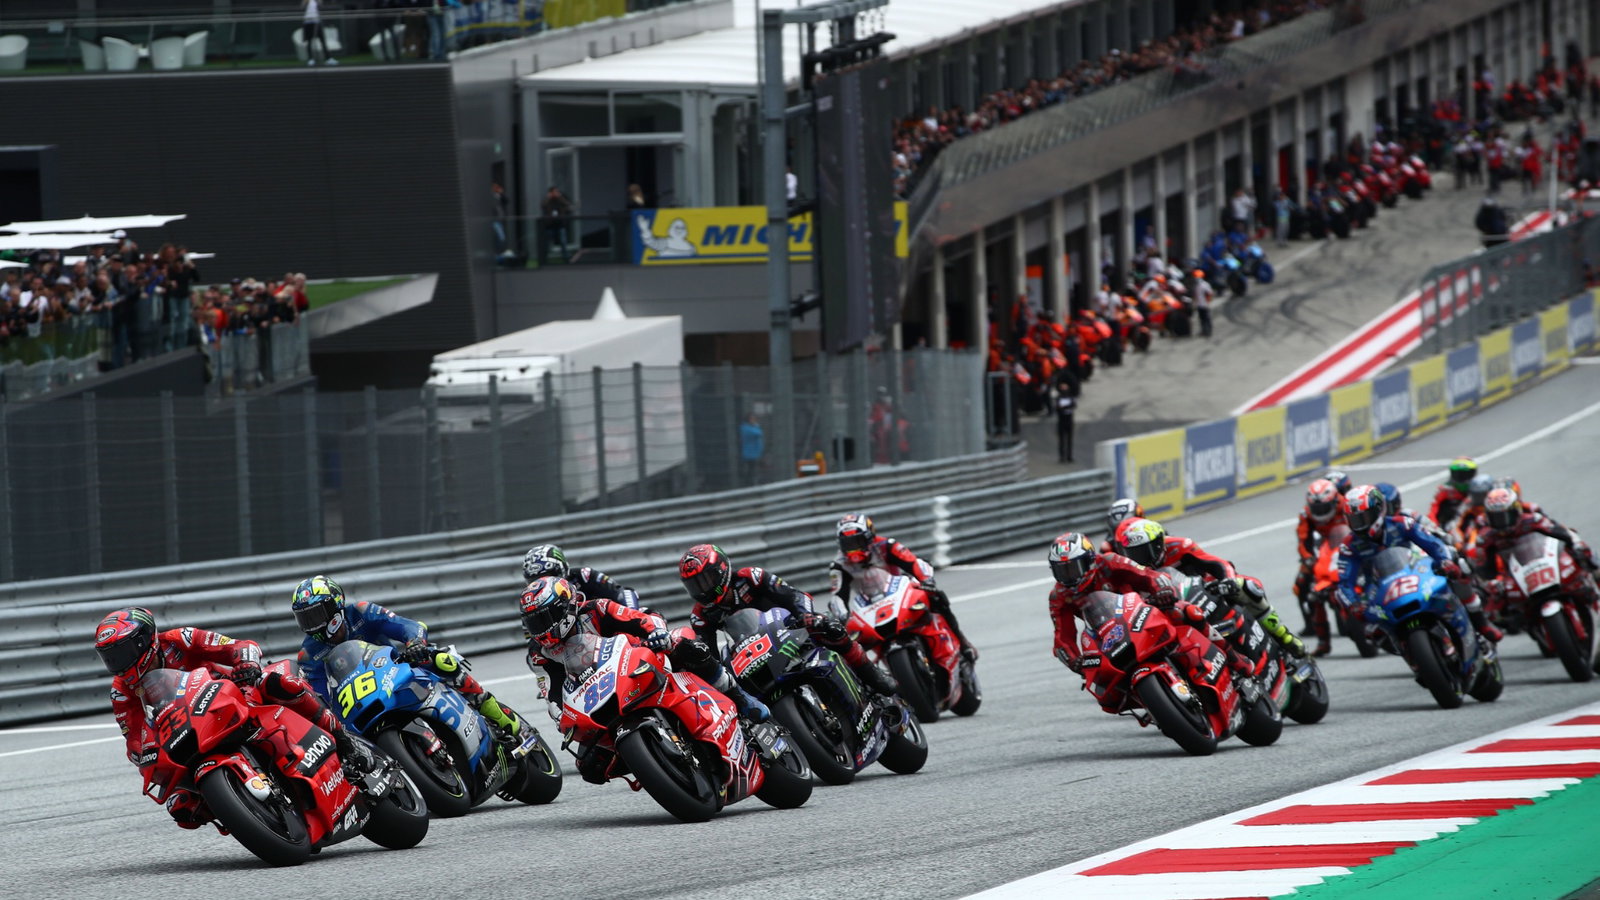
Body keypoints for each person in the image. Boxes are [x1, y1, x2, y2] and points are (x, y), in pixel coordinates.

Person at [95, 606, 374, 828]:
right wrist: (144, 755)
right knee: (182, 805)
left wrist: (247, 664)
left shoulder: (180, 640)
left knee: (280, 683)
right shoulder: (121, 692)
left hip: (235, 695)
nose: (118, 664)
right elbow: (134, 740)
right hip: (189, 732)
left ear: (144, 641)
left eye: (122, 653)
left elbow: (238, 645)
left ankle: (343, 740)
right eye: (110, 658)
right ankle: (258, 814)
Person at [519, 577, 778, 784]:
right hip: (599, 692)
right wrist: (560, 715)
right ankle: (658, 761)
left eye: (544, 619)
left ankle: (741, 699)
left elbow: (640, 619)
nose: (540, 629)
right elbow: (552, 690)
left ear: (564, 608)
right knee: (589, 767)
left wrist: (657, 633)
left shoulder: (597, 609)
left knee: (685, 642)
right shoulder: (539, 653)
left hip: (639, 658)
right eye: (533, 623)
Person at [290, 574, 527, 743]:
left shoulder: (361, 612)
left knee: (442, 661)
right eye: (305, 619)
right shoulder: (309, 655)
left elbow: (409, 626)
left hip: (398, 669)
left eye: (317, 615)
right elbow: (321, 698)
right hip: (361, 698)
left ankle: (494, 712)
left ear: (336, 605)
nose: (314, 625)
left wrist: (415, 644)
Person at [681, 543, 900, 699]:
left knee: (831, 629)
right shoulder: (700, 616)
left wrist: (806, 616)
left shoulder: (751, 577)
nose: (702, 590)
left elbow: (794, 595)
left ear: (721, 571)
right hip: (753, 652)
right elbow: (709, 656)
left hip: (790, 628)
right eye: (695, 585)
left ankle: (873, 675)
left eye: (705, 581)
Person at [1045, 532, 1246, 676]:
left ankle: (1234, 658)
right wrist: (1074, 660)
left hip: (1141, 611)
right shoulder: (1059, 596)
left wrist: (1161, 590)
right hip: (1106, 635)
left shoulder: (1109, 561)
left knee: (1189, 612)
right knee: (1099, 679)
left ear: (1090, 560)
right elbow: (1063, 638)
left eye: (1074, 568)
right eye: (1062, 570)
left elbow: (1146, 574)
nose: (1069, 577)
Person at [1112, 517, 1307, 657]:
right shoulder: (1128, 571)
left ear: (1159, 543)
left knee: (1248, 586)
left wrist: (1228, 580)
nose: (1140, 558)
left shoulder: (1179, 545)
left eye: (1144, 551)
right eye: (1132, 553)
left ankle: (1282, 636)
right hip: (1173, 609)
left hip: (1208, 590)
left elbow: (1217, 563)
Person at [1337, 485, 1503, 642]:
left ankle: (1480, 621)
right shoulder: (1349, 545)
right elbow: (1344, 582)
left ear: (1378, 510)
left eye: (1364, 518)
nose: (1360, 525)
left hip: (1416, 570)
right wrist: (1354, 604)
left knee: (1459, 564)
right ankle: (1400, 643)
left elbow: (1433, 543)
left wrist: (1445, 561)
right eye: (1355, 520)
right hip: (1379, 588)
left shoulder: (1402, 523)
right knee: (1370, 630)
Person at [828, 512, 976, 659]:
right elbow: (838, 596)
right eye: (847, 544)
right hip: (869, 606)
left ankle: (963, 643)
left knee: (937, 598)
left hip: (900, 593)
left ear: (869, 537)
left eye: (857, 542)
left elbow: (913, 562)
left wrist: (927, 581)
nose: (853, 549)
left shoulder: (886, 545)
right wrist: (842, 616)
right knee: (849, 645)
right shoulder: (839, 565)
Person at [1472, 489, 1599, 603]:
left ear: (1516, 511)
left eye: (1505, 516)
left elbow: (1563, 533)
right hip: (1514, 576)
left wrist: (1577, 545)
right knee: (1494, 604)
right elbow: (1482, 568)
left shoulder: (1533, 520)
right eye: (1495, 518)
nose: (1502, 522)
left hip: (1545, 561)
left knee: (1586, 555)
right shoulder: (1485, 537)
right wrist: (1491, 583)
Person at [1293, 477, 1346, 655]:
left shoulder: (1346, 505)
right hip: (1323, 550)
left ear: (1334, 501)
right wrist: (1308, 558)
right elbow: (1303, 540)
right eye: (1317, 508)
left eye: (1324, 507)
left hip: (1349, 545)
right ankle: (1318, 635)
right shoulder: (1306, 514)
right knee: (1302, 584)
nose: (1320, 512)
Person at [521, 544, 642, 610]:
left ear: (561, 570)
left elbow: (624, 593)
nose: (543, 584)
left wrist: (633, 614)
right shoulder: (530, 605)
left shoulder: (584, 576)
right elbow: (533, 645)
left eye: (547, 577)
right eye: (534, 581)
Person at [1427, 457, 1479, 529]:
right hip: (1447, 527)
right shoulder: (1444, 489)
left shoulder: (1479, 488)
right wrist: (1433, 526)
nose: (1461, 478)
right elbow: (1433, 509)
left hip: (1472, 525)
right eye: (1458, 475)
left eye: (1465, 475)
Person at [541, 186, 575, 258]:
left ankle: (565, 257)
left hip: (560, 224)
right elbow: (543, 206)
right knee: (547, 242)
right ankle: (544, 257)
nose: (555, 193)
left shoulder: (561, 198)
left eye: (556, 192)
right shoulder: (547, 200)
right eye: (553, 192)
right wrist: (548, 197)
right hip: (550, 224)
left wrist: (560, 197)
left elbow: (568, 205)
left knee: (563, 241)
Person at [301, 0, 334, 65]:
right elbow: (302, 7)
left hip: (317, 21)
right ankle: (311, 59)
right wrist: (305, 2)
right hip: (308, 22)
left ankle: (328, 59)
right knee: (309, 41)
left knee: (322, 40)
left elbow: (321, 6)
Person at [739, 411, 765, 486]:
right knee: (751, 470)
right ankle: (749, 484)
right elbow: (758, 433)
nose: (753, 420)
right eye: (752, 419)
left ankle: (754, 483)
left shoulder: (749, 428)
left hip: (755, 453)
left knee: (754, 469)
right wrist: (756, 426)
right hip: (750, 454)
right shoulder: (746, 428)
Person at [1054, 379, 1076, 463]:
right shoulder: (1059, 398)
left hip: (1069, 420)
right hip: (1061, 421)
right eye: (1062, 387)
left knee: (1069, 439)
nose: (1064, 389)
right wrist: (1065, 407)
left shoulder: (1070, 397)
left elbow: (1073, 405)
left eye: (1065, 387)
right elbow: (1058, 408)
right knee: (1062, 440)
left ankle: (1069, 456)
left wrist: (1064, 407)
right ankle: (1062, 456)